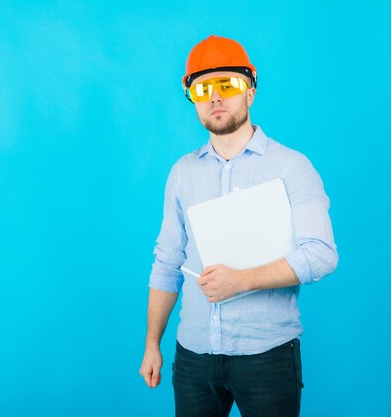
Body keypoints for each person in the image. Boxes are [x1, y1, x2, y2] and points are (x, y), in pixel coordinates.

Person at [139, 34, 339, 417]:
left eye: (227, 85)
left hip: (266, 356)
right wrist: (152, 343)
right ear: (192, 98)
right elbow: (167, 263)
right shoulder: (182, 173)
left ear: (250, 91)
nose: (215, 97)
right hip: (193, 356)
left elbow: (322, 255)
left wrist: (241, 280)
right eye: (202, 89)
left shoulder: (291, 167)